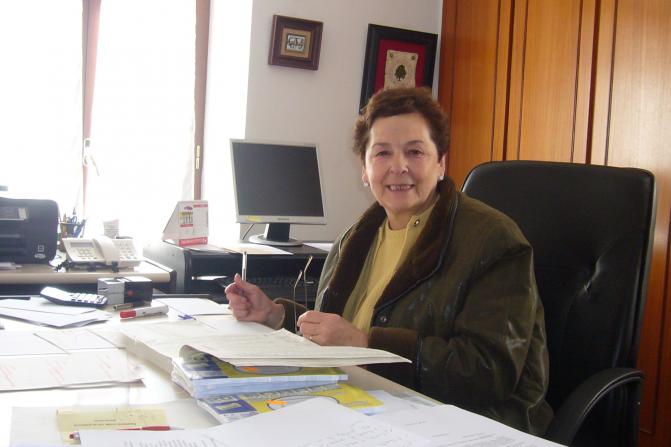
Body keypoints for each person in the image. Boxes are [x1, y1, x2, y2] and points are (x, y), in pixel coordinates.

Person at [225, 87, 553, 435]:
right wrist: (276, 315)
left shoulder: (494, 240)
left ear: (441, 163)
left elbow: (490, 372)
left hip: (466, 423)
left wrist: (368, 346)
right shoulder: (354, 238)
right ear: (365, 169)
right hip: (369, 406)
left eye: (415, 151)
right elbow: (342, 332)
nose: (398, 166)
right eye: (382, 153)